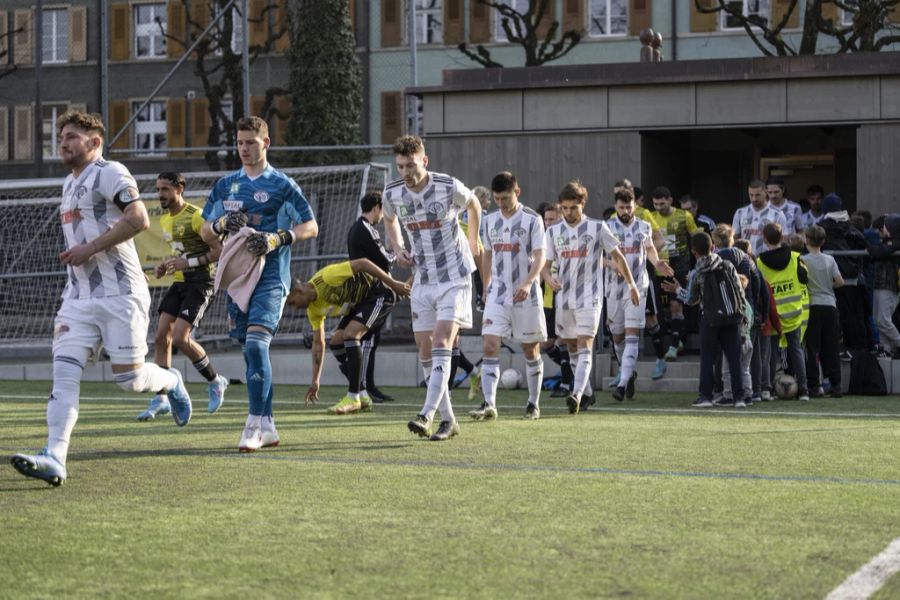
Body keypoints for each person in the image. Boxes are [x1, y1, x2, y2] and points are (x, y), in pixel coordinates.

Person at [10, 111, 193, 486]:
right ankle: (55, 457)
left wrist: (90, 249)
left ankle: (171, 381)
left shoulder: (110, 172)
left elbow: (139, 218)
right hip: (77, 299)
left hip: (120, 295)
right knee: (63, 373)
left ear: (94, 143)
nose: (63, 142)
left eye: (72, 136)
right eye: (61, 136)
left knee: (130, 379)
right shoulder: (67, 183)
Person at [200, 116, 318, 452]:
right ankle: (268, 425)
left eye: (251, 142)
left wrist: (279, 238)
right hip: (238, 279)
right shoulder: (226, 185)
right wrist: (221, 223)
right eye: (240, 143)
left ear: (266, 143)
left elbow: (311, 226)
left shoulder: (282, 185)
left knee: (255, 345)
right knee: (250, 353)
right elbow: (204, 230)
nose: (244, 149)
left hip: (271, 279)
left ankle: (252, 424)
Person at [382, 135, 482, 442]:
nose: (405, 171)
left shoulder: (446, 185)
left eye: (410, 165)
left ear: (424, 161)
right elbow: (389, 219)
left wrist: (475, 238)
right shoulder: (392, 191)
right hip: (423, 277)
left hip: (454, 276)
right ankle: (449, 420)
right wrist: (398, 247)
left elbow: (474, 203)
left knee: (441, 341)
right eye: (400, 166)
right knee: (425, 349)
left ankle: (425, 414)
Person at [542, 180, 640, 415]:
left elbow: (618, 257)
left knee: (585, 344)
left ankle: (575, 394)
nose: (568, 213)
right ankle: (586, 393)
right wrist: (548, 278)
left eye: (573, 208)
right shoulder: (553, 231)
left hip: (590, 297)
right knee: (572, 346)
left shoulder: (597, 228)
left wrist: (632, 285)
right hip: (564, 298)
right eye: (564, 208)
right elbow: (545, 266)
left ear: (582, 204)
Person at [137, 172, 228, 421]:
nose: (160, 195)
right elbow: (179, 255)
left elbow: (219, 252)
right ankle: (162, 397)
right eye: (158, 189)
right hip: (180, 282)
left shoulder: (196, 216)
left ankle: (215, 380)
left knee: (180, 338)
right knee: (160, 336)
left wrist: (186, 262)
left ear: (179, 189)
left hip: (201, 283)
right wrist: (165, 266)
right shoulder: (166, 220)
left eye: (165, 189)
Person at [469, 171, 547, 420]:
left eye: (505, 198)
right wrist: (485, 286)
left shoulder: (532, 219)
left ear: (517, 192)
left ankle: (533, 403)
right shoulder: (490, 220)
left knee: (529, 348)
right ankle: (489, 404)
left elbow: (540, 255)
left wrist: (528, 282)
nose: (501, 204)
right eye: (497, 199)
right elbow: (487, 255)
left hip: (526, 295)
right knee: (490, 344)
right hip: (498, 295)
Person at [287, 258, 410, 413]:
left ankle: (353, 397)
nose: (293, 308)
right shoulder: (313, 310)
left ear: (298, 291)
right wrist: (315, 381)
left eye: (292, 302)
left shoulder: (328, 277)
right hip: (360, 303)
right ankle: (363, 395)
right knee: (337, 344)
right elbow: (318, 344)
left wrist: (393, 284)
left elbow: (363, 263)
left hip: (379, 293)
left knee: (351, 335)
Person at [663, 233, 747, 408]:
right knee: (734, 359)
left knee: (708, 359)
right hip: (732, 317)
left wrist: (678, 290)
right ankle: (739, 397)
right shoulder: (728, 265)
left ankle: (706, 396)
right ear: (713, 247)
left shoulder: (697, 272)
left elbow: (692, 299)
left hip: (710, 319)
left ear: (694, 252)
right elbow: (740, 292)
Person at [605, 188, 673, 401]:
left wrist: (657, 262)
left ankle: (623, 385)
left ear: (635, 206)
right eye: (621, 207)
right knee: (617, 336)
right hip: (614, 289)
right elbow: (597, 258)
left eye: (629, 206)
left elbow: (650, 249)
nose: (625, 210)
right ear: (616, 207)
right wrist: (611, 264)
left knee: (632, 334)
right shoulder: (606, 227)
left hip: (638, 287)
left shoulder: (643, 226)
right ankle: (629, 373)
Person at [347, 192, 396, 403]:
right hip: (372, 291)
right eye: (382, 210)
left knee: (371, 339)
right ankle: (364, 387)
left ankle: (368, 386)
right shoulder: (366, 229)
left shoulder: (359, 228)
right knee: (366, 339)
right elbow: (384, 260)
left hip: (368, 289)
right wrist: (398, 253)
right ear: (376, 207)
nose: (382, 215)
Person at [756, 222, 811, 401]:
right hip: (793, 312)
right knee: (796, 350)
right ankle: (803, 390)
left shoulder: (759, 262)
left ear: (764, 239)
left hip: (773, 315)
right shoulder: (796, 257)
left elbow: (758, 288)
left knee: (770, 353)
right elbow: (805, 279)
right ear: (782, 237)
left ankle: (767, 389)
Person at [820, 193, 871, 357]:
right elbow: (863, 245)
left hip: (831, 280)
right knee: (855, 315)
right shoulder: (851, 227)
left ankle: (834, 348)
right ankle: (858, 349)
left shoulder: (823, 227)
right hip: (853, 278)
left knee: (833, 316)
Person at [651, 186, 698, 361]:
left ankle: (673, 346)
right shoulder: (651, 217)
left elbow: (695, 236)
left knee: (676, 307)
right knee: (660, 312)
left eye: (662, 204)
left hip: (679, 268)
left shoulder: (684, 216)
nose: (658, 207)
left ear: (670, 200)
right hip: (658, 268)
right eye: (655, 204)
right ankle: (674, 341)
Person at [803, 225, 844, 397]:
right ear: (824, 241)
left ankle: (814, 385)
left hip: (813, 305)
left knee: (812, 347)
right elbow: (840, 282)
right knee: (832, 346)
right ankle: (836, 384)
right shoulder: (830, 259)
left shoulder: (803, 260)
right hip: (830, 304)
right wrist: (829, 286)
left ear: (806, 240)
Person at [866, 215, 900, 358]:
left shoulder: (896, 242)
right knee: (878, 319)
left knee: (883, 320)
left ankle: (898, 342)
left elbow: (878, 252)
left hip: (890, 286)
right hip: (880, 285)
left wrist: (865, 242)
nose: (881, 229)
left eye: (884, 226)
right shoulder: (886, 242)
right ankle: (885, 348)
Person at [732, 179, 787, 257]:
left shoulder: (777, 214)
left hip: (769, 260)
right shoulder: (740, 213)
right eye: (751, 195)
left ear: (765, 193)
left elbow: (783, 240)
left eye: (757, 195)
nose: (754, 199)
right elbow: (734, 238)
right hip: (746, 261)